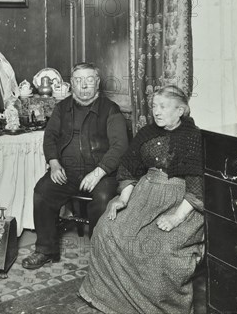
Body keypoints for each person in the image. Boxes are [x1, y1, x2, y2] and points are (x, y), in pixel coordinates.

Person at [79, 85, 204, 314]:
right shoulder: (147, 133)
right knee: (107, 229)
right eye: (154, 106)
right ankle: (112, 300)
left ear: (180, 110)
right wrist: (123, 199)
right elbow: (128, 167)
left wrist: (176, 218)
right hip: (144, 195)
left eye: (163, 106)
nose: (156, 111)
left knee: (161, 250)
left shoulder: (193, 137)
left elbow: (196, 187)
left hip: (180, 202)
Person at [21, 63, 128, 269]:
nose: (84, 85)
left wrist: (99, 172)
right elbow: (50, 137)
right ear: (72, 84)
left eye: (89, 80)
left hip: (102, 172)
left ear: (97, 82)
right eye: (78, 80)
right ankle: (46, 250)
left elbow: (120, 146)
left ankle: (101, 256)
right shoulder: (62, 107)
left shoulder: (110, 109)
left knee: (104, 198)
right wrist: (53, 163)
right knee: (42, 192)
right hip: (67, 172)